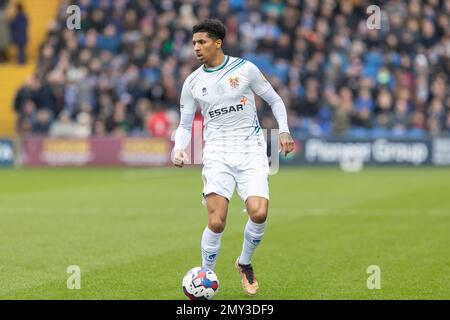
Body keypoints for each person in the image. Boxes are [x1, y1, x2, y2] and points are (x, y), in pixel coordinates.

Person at [172, 19, 294, 296]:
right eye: (194, 43)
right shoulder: (192, 82)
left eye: (201, 42)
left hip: (251, 149)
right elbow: (184, 123)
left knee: (259, 213)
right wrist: (178, 148)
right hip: (217, 152)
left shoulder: (245, 69)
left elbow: (275, 100)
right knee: (217, 221)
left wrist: (284, 131)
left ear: (217, 42)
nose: (196, 48)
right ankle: (206, 274)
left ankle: (244, 262)